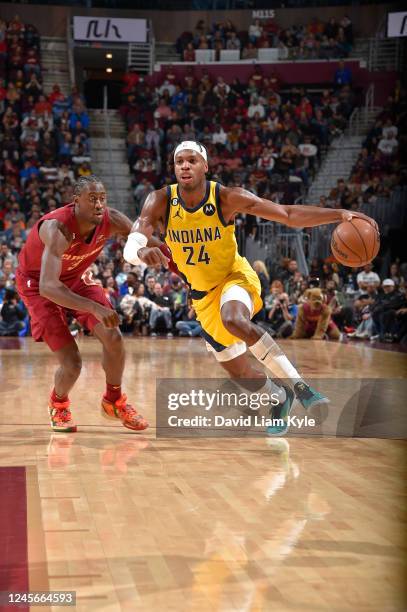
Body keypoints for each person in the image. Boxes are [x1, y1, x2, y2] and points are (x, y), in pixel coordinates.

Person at [123, 141, 377, 435]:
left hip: (235, 276)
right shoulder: (160, 200)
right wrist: (140, 254)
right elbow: (132, 243)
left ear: (205, 166)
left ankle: (302, 388)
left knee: (234, 319)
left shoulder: (227, 197)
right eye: (179, 161)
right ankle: (279, 398)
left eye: (192, 160)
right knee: (240, 373)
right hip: (202, 297)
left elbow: (287, 214)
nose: (185, 165)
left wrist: (340, 214)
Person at [16, 175, 151, 433]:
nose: (99, 204)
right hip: (38, 285)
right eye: (92, 199)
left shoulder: (111, 219)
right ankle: (58, 403)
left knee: (113, 337)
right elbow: (48, 286)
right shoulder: (57, 228)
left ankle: (114, 400)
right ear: (75, 201)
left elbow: (145, 239)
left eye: (102, 198)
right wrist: (94, 308)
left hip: (75, 276)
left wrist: (168, 258)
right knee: (72, 363)